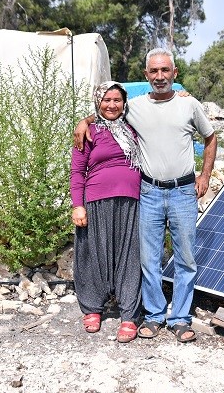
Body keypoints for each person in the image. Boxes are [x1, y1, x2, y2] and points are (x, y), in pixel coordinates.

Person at [74, 48, 217, 343]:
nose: (160, 76)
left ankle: (179, 318)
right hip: (149, 192)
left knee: (186, 258)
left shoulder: (189, 105)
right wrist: (84, 121)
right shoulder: (135, 106)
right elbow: (108, 110)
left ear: (175, 74)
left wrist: (205, 175)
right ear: (146, 75)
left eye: (165, 71)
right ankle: (153, 316)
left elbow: (210, 136)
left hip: (182, 191)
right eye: (154, 71)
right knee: (149, 260)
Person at [70, 81, 143, 343]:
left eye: (117, 100)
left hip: (131, 201)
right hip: (96, 200)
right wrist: (78, 204)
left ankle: (129, 314)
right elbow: (77, 171)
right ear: (98, 102)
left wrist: (180, 94)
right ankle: (92, 307)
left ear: (124, 103)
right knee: (94, 254)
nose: (111, 105)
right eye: (106, 100)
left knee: (129, 256)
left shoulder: (134, 126)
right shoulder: (88, 131)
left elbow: (158, 102)